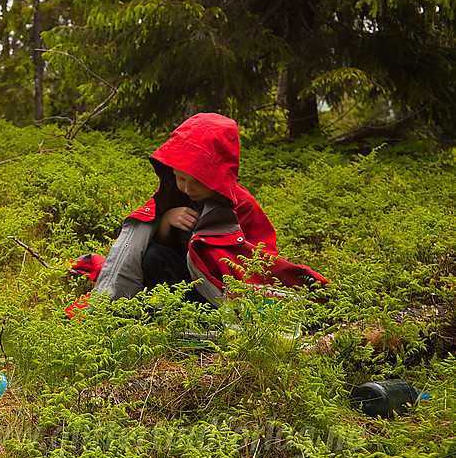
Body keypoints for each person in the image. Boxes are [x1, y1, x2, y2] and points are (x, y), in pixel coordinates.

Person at [73, 112, 326, 311]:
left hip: (215, 289)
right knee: (152, 256)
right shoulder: (174, 194)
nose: (186, 188)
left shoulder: (241, 206)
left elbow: (261, 258)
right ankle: (163, 310)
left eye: (195, 181)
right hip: (179, 280)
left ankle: (198, 317)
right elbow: (159, 244)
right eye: (180, 178)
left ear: (215, 177)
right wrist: (166, 221)